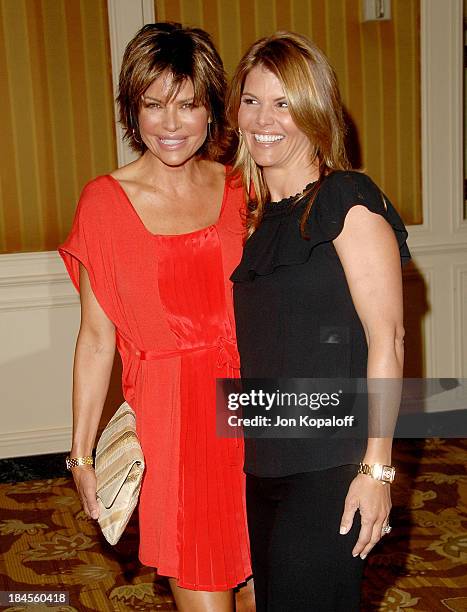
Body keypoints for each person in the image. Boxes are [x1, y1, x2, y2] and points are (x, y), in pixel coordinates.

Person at [59, 23, 253, 612]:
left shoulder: (242, 187)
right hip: (174, 426)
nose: (171, 125)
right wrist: (82, 452)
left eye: (188, 104)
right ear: (132, 110)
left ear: (212, 108)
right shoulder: (104, 202)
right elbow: (96, 339)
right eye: (153, 105)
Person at [226, 32, 410, 611]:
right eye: (252, 101)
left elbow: (390, 339)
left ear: (316, 111)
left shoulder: (347, 201)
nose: (264, 119)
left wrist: (377, 469)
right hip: (265, 459)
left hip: (331, 461)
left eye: (284, 103)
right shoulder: (255, 220)